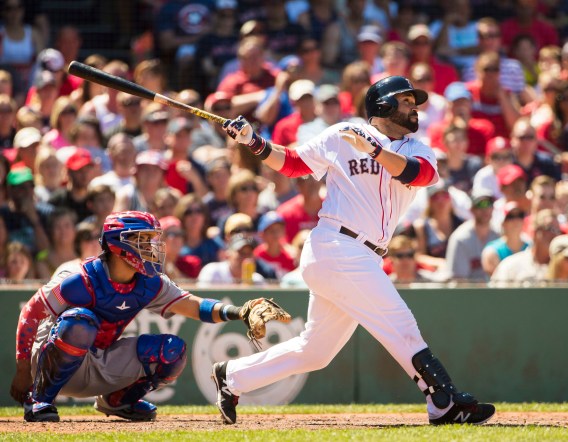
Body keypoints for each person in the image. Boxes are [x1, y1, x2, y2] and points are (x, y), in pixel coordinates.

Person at [213, 75, 495, 426]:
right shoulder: (343, 134)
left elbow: (417, 176)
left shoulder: (417, 148)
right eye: (405, 101)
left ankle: (232, 375)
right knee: (400, 322)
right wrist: (253, 142)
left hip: (362, 254)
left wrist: (375, 150)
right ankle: (443, 401)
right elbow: (295, 164)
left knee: (315, 351)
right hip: (336, 244)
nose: (414, 108)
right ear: (383, 105)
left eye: (414, 102)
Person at [10, 211, 289, 422]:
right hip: (51, 362)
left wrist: (239, 312)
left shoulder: (150, 281)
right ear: (119, 244)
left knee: (172, 351)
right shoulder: (78, 278)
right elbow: (31, 312)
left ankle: (118, 402)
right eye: (143, 240)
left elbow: (194, 306)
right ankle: (40, 400)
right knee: (80, 321)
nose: (152, 247)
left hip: (100, 360)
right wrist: (23, 371)